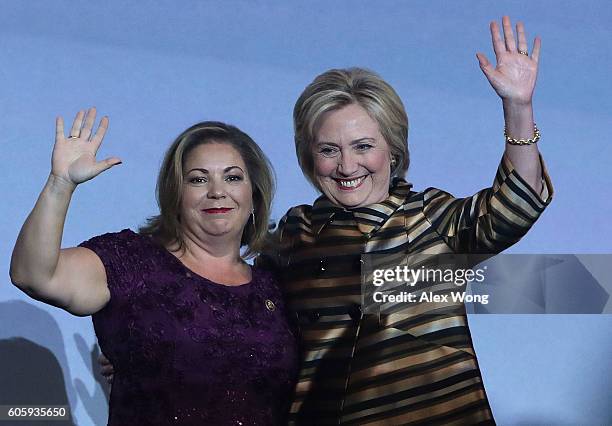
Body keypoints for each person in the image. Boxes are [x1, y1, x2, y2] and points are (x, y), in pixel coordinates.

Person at [264, 16, 553, 424]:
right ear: (308, 156)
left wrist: (518, 107)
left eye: (363, 146)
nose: (347, 166)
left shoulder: (429, 217)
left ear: (393, 151)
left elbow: (515, 206)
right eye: (329, 149)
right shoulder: (295, 233)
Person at [10, 113, 299, 425]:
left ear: (254, 194)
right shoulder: (132, 262)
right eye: (198, 179)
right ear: (175, 193)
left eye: (232, 177)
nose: (218, 191)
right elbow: (35, 275)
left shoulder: (276, 288)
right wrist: (60, 184)